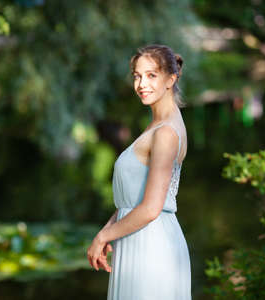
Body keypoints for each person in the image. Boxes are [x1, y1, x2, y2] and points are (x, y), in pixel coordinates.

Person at [87, 44, 192, 300]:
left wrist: (103, 236)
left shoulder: (166, 132)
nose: (141, 83)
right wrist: (111, 227)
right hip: (138, 238)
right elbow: (135, 197)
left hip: (152, 245)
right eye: (137, 75)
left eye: (151, 75)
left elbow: (151, 207)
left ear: (171, 79)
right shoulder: (157, 124)